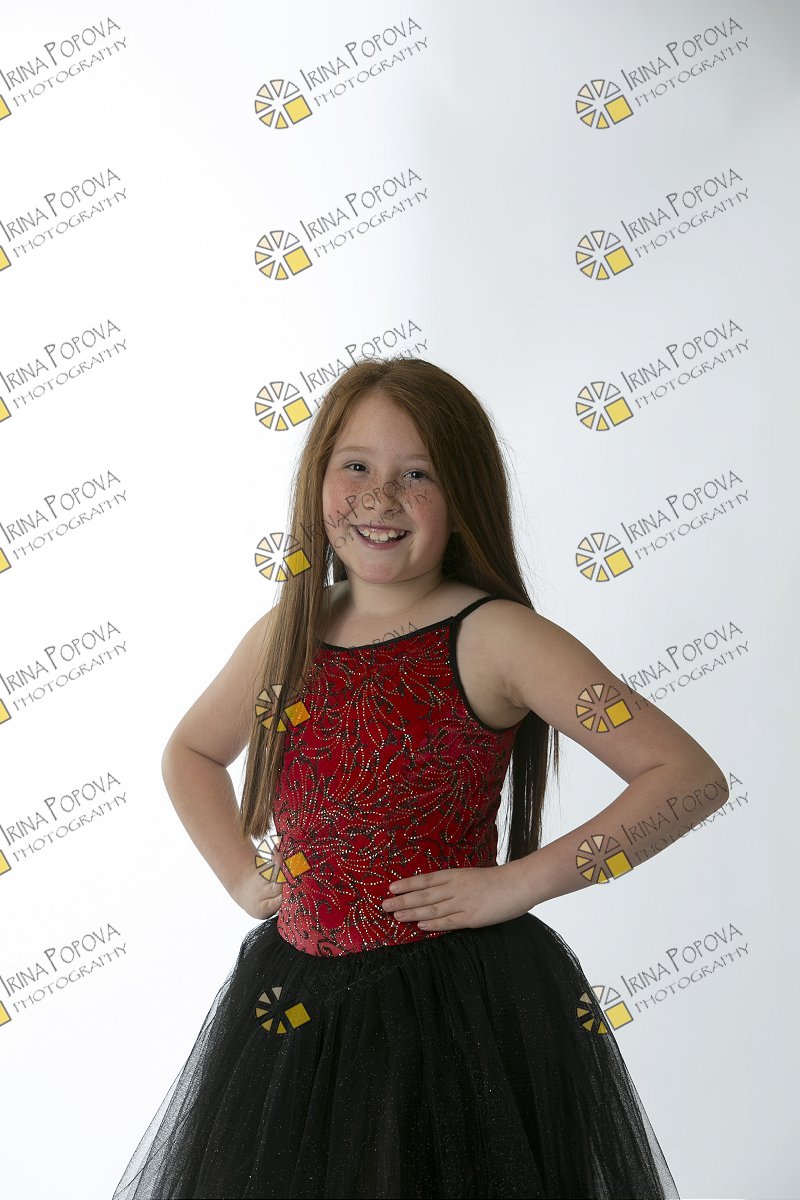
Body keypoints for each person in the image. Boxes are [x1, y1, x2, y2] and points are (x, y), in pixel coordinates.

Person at [113, 357, 722, 1198]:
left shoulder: (499, 637)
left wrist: (517, 883)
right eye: (356, 466)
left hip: (453, 1015)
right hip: (298, 1004)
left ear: (463, 495)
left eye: (417, 475)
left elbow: (686, 777)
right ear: (317, 479)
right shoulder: (287, 631)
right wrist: (240, 875)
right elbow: (190, 752)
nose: (380, 498)